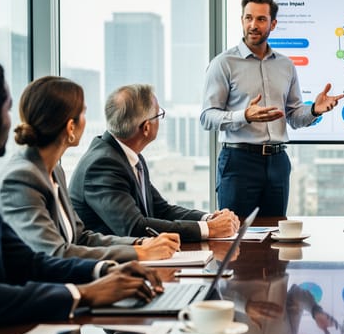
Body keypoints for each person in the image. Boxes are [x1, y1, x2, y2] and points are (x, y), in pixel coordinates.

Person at [0, 56, 163, 334]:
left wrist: (104, 270)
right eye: (7, 108)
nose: (15, 121)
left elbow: (26, 261)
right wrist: (83, 294)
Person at [0, 76, 180, 262]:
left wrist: (139, 244)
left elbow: (81, 238)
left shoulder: (54, 171)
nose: (86, 121)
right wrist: (139, 253)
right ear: (70, 127)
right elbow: (55, 253)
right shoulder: (21, 178)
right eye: (83, 114)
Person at [201, 0, 344, 218]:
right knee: (235, 238)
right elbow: (207, 117)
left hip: (277, 162)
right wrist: (244, 116)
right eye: (248, 18)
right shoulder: (223, 64)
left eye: (260, 19)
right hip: (239, 163)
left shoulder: (286, 66)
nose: (253, 25)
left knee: (275, 239)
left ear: (273, 24)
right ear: (241, 20)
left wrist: (314, 110)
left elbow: (294, 117)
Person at [70, 84, 238, 242]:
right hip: (110, 265)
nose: (161, 120)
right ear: (146, 128)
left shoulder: (129, 156)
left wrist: (208, 219)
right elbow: (134, 227)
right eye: (159, 115)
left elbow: (161, 209)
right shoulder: (102, 165)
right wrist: (208, 229)